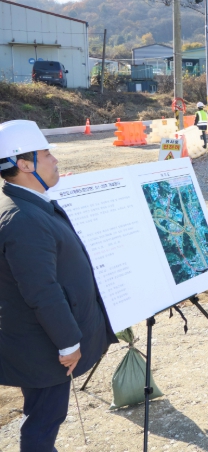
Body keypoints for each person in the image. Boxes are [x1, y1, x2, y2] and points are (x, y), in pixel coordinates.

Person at [0, 120, 117, 452]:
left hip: (40, 339)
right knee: (44, 420)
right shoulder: (23, 219)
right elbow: (42, 290)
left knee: (45, 415)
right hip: (42, 345)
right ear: (25, 164)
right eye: (47, 154)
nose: (55, 160)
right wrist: (68, 343)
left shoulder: (28, 204)